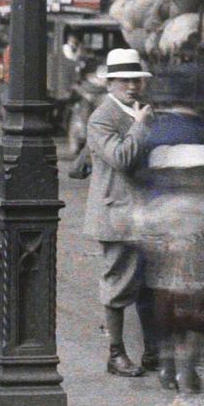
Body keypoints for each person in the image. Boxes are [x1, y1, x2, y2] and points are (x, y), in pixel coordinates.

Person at [136, 64, 204, 395]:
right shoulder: (199, 132)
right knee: (200, 313)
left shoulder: (156, 134)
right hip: (200, 255)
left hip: (166, 253)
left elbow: (141, 189)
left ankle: (166, 364)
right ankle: (188, 369)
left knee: (165, 311)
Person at [82, 46, 158, 377]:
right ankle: (116, 354)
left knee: (148, 283)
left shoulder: (138, 111)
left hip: (143, 214)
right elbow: (122, 158)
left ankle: (153, 351)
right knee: (117, 284)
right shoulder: (102, 117)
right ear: (110, 83)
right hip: (116, 215)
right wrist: (140, 127)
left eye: (136, 80)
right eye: (124, 81)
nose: (132, 86)